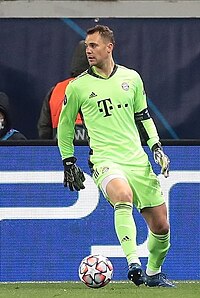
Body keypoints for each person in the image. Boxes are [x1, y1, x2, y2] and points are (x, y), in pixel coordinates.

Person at [57, 25, 174, 287]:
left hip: (136, 159)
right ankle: (133, 263)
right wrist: (68, 161)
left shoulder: (132, 78)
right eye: (86, 46)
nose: (88, 50)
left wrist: (156, 146)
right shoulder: (78, 87)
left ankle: (153, 273)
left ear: (109, 47)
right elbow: (65, 127)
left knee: (162, 227)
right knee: (123, 195)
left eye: (94, 45)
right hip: (105, 160)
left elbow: (143, 116)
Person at [37, 40, 89, 139]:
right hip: (98, 149)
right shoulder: (105, 88)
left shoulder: (56, 90)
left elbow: (44, 129)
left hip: (61, 150)